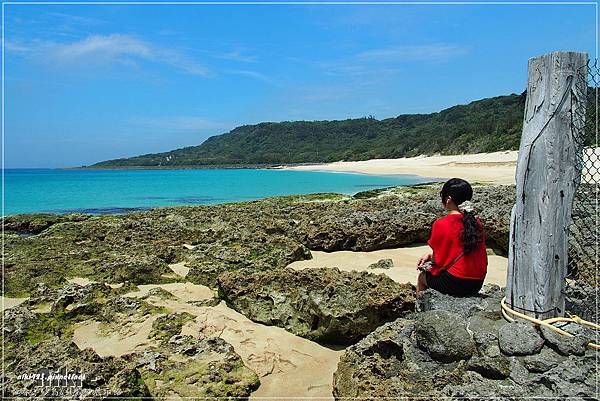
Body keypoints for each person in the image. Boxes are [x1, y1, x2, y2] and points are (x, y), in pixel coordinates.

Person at [416, 178, 488, 297]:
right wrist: (430, 255)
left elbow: (438, 261)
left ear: (448, 199)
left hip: (456, 281)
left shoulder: (441, 224)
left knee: (422, 277)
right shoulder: (476, 223)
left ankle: (420, 311)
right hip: (477, 283)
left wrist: (430, 258)